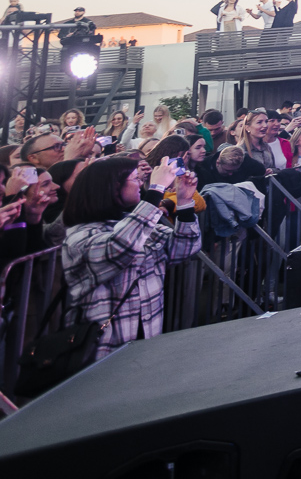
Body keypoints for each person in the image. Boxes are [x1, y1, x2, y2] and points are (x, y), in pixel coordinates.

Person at [59, 153, 200, 362]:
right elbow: (120, 247)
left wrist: (185, 201)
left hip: (147, 335)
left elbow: (184, 248)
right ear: (112, 187)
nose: (141, 183)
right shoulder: (80, 236)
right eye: (135, 179)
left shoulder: (135, 224)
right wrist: (156, 190)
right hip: (102, 346)